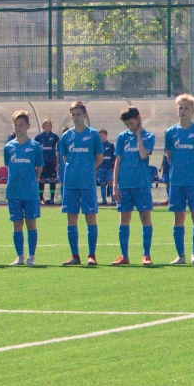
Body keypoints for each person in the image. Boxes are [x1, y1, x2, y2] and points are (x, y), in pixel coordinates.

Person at [165, 94, 194, 265]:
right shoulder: (170, 133)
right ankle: (181, 255)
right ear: (176, 109)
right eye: (180, 108)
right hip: (177, 182)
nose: (183, 111)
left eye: (186, 108)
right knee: (178, 218)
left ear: (193, 110)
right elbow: (169, 156)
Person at [59, 101, 104, 266]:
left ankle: (91, 255)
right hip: (71, 183)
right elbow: (65, 158)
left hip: (88, 183)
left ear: (85, 115)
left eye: (79, 114)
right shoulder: (66, 136)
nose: (76, 117)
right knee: (72, 218)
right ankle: (75, 256)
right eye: (73, 114)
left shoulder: (93, 135)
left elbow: (99, 157)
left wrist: (88, 170)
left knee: (90, 217)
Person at [112, 105, 157, 266]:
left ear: (138, 119)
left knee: (145, 218)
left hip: (142, 184)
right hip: (124, 185)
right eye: (127, 125)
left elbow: (143, 154)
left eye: (131, 123)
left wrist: (138, 135)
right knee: (124, 218)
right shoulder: (122, 138)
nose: (129, 127)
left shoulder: (149, 136)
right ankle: (124, 255)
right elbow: (118, 162)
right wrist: (114, 185)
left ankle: (146, 255)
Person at [3, 111, 42, 266]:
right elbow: (8, 165)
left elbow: (39, 167)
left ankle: (31, 256)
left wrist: (34, 180)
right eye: (16, 125)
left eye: (21, 125)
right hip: (13, 191)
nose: (18, 128)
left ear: (28, 126)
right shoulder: (9, 147)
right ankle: (20, 257)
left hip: (30, 191)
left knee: (31, 223)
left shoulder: (34, 146)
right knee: (17, 223)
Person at [36, 119, 60, 205]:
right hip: (42, 162)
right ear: (43, 126)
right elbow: (35, 150)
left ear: (51, 127)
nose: (47, 127)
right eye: (45, 125)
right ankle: (40, 197)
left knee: (52, 179)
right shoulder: (39, 137)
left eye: (49, 125)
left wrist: (57, 161)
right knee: (41, 179)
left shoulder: (54, 136)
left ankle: (52, 197)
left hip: (51, 162)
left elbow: (59, 149)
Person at [96, 128, 115, 204]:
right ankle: (104, 200)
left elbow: (114, 156)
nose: (101, 137)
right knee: (102, 183)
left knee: (110, 182)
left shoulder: (110, 145)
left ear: (106, 136)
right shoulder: (98, 146)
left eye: (102, 135)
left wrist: (113, 165)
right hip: (101, 167)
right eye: (100, 135)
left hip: (109, 167)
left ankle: (113, 199)